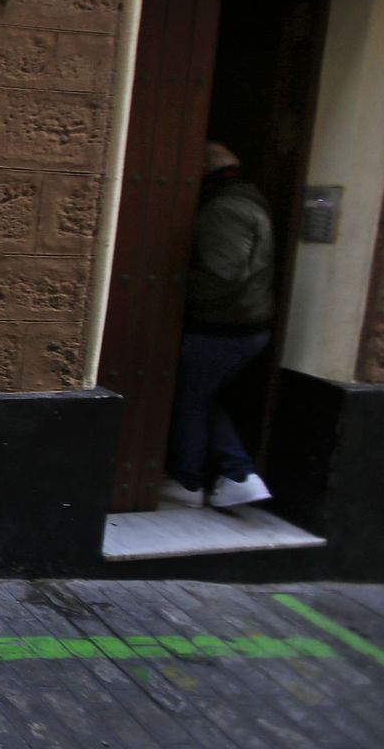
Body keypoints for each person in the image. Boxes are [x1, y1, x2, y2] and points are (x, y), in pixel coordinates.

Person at [159, 141, 275, 509]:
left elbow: (222, 276)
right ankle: (236, 474)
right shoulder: (247, 201)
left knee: (192, 398)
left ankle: (193, 479)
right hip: (242, 326)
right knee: (200, 395)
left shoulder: (224, 208)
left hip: (224, 328)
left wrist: (172, 288)